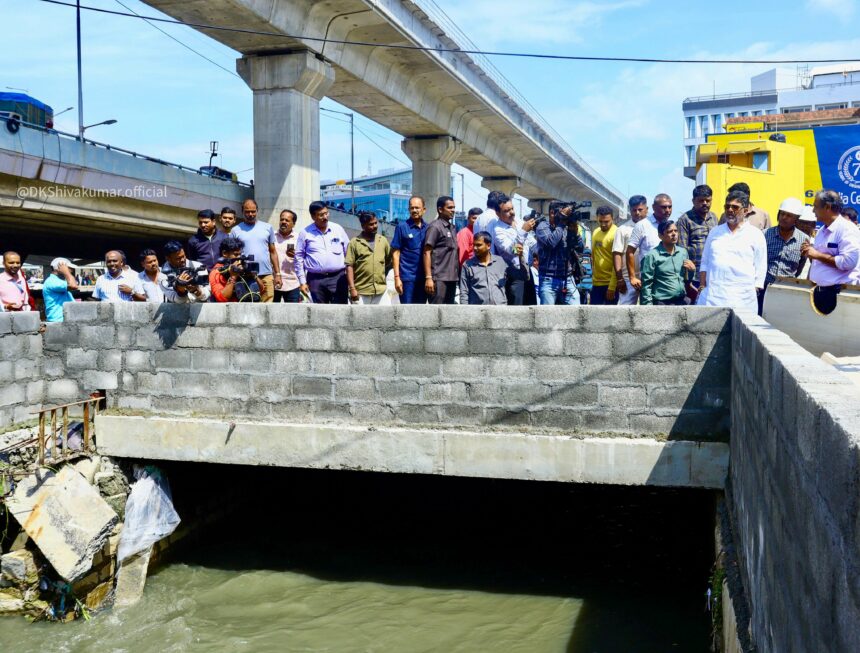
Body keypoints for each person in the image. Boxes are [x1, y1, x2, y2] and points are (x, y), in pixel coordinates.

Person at [697, 191, 767, 313]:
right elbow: (705, 262)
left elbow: (760, 266)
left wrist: (754, 289)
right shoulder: (715, 232)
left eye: (735, 207)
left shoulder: (755, 234)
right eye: (727, 206)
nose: (730, 210)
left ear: (745, 211)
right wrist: (703, 286)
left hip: (743, 300)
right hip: (713, 298)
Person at [760, 197, 810, 314]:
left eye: (789, 215)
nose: (784, 218)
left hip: (788, 290)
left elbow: (800, 265)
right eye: (782, 214)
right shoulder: (764, 235)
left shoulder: (803, 239)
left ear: (796, 219)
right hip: (765, 288)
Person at [802, 189, 860, 292]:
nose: (813, 210)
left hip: (838, 293)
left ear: (827, 207)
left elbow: (849, 262)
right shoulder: (821, 231)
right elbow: (819, 262)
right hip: (819, 291)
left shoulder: (847, 229)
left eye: (815, 206)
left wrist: (816, 255)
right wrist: (809, 252)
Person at [295, 201, 349, 304]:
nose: (325, 217)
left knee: (341, 312)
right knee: (319, 313)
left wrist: (350, 278)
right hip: (316, 280)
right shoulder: (305, 233)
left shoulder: (338, 229)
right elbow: (298, 258)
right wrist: (302, 282)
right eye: (321, 215)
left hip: (338, 278)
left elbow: (348, 252)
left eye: (326, 213)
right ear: (313, 216)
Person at [534, 201, 583, 305]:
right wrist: (562, 223)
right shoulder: (542, 227)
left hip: (568, 278)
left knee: (576, 312)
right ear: (552, 213)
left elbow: (580, 249)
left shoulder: (566, 227)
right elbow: (551, 242)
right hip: (548, 279)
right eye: (563, 213)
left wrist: (574, 232)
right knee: (548, 316)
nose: (565, 217)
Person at [490, 195, 537, 305]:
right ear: (498, 213)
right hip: (513, 274)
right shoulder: (498, 230)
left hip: (527, 269)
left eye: (512, 208)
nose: (511, 213)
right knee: (517, 308)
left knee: (531, 306)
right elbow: (512, 251)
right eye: (506, 211)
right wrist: (523, 231)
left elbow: (532, 244)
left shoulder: (519, 221)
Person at [676, 185, 717, 299]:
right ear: (693, 201)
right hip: (694, 275)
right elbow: (682, 250)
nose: (705, 203)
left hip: (712, 272)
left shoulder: (713, 217)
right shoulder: (685, 219)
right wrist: (687, 278)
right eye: (701, 200)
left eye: (708, 200)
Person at [233, 199, 279, 302]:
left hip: (266, 275)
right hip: (246, 276)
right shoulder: (235, 230)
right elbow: (233, 255)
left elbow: (273, 252)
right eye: (247, 211)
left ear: (257, 211)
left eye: (253, 211)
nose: (250, 214)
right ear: (242, 212)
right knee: (249, 308)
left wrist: (278, 274)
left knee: (268, 308)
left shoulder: (267, 227)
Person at [639, 221, 695, 306]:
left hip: (682, 300)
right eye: (669, 231)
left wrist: (692, 271)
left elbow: (687, 280)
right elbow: (646, 284)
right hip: (662, 302)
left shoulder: (683, 253)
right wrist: (648, 307)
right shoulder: (652, 256)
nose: (674, 234)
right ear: (660, 236)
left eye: (675, 231)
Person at [626, 193, 673, 294]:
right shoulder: (642, 225)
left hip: (669, 280)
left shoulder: (672, 227)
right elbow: (630, 252)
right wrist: (632, 277)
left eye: (670, 207)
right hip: (650, 280)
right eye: (664, 207)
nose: (668, 210)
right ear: (653, 207)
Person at [346, 212, 392, 305]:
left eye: (376, 223)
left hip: (381, 291)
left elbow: (388, 262)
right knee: (360, 319)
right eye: (371, 224)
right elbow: (349, 266)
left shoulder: (383, 241)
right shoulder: (354, 242)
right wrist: (352, 289)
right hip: (361, 292)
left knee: (385, 318)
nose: (375, 226)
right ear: (363, 226)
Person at [391, 196, 429, 304]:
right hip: (407, 279)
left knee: (420, 313)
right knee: (407, 313)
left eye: (417, 208)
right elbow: (395, 254)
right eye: (412, 208)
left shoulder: (429, 228)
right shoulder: (402, 227)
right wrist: (397, 278)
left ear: (424, 210)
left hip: (423, 278)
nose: (414, 210)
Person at [423, 196, 460, 304]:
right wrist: (429, 278)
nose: (453, 210)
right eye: (449, 207)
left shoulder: (452, 227)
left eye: (454, 207)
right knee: (436, 313)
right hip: (438, 278)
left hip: (452, 278)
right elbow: (426, 252)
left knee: (448, 313)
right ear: (440, 209)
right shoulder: (435, 227)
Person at [613, 195, 647, 305]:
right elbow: (617, 254)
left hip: (648, 278)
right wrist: (620, 279)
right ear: (630, 210)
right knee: (624, 312)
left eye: (640, 210)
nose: (637, 213)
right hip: (628, 279)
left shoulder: (652, 228)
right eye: (634, 210)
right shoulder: (622, 229)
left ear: (647, 209)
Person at [459, 231, 507, 305]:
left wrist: (520, 257)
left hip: (499, 310)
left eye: (478, 245)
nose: (475, 248)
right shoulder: (467, 265)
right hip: (478, 312)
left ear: (488, 246)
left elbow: (521, 277)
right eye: (474, 245)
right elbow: (464, 292)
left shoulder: (500, 262)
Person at [210, 237, 261, 302]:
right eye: (236, 254)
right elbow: (222, 298)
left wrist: (254, 276)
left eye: (240, 254)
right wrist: (233, 277)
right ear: (224, 253)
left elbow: (261, 290)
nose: (239, 257)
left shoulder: (242, 266)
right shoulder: (216, 272)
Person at [590, 206, 618, 305]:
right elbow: (593, 256)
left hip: (610, 284)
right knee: (593, 316)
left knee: (610, 317)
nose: (603, 224)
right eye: (600, 221)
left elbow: (618, 262)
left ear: (612, 219)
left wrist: (612, 286)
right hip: (596, 283)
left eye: (606, 221)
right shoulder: (595, 232)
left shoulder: (617, 233)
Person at [273, 209, 301, 303]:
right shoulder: (271, 236)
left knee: (293, 315)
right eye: (282, 219)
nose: (283, 222)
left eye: (287, 220)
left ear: (293, 223)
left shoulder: (299, 238)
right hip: (273, 282)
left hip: (292, 284)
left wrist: (296, 256)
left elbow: (304, 260)